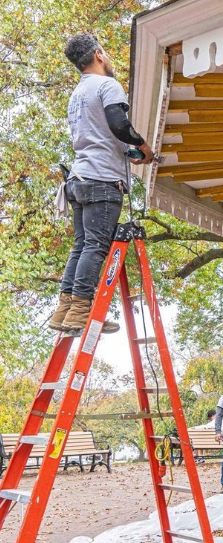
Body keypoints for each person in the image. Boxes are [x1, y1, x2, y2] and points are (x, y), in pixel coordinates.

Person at [49, 33, 154, 334]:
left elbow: (101, 136)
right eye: (105, 52)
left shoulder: (77, 95)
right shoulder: (107, 85)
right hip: (102, 180)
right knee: (95, 246)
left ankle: (65, 311)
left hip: (79, 179)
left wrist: (126, 150)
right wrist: (144, 147)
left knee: (81, 245)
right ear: (98, 54)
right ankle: (81, 311)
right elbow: (119, 125)